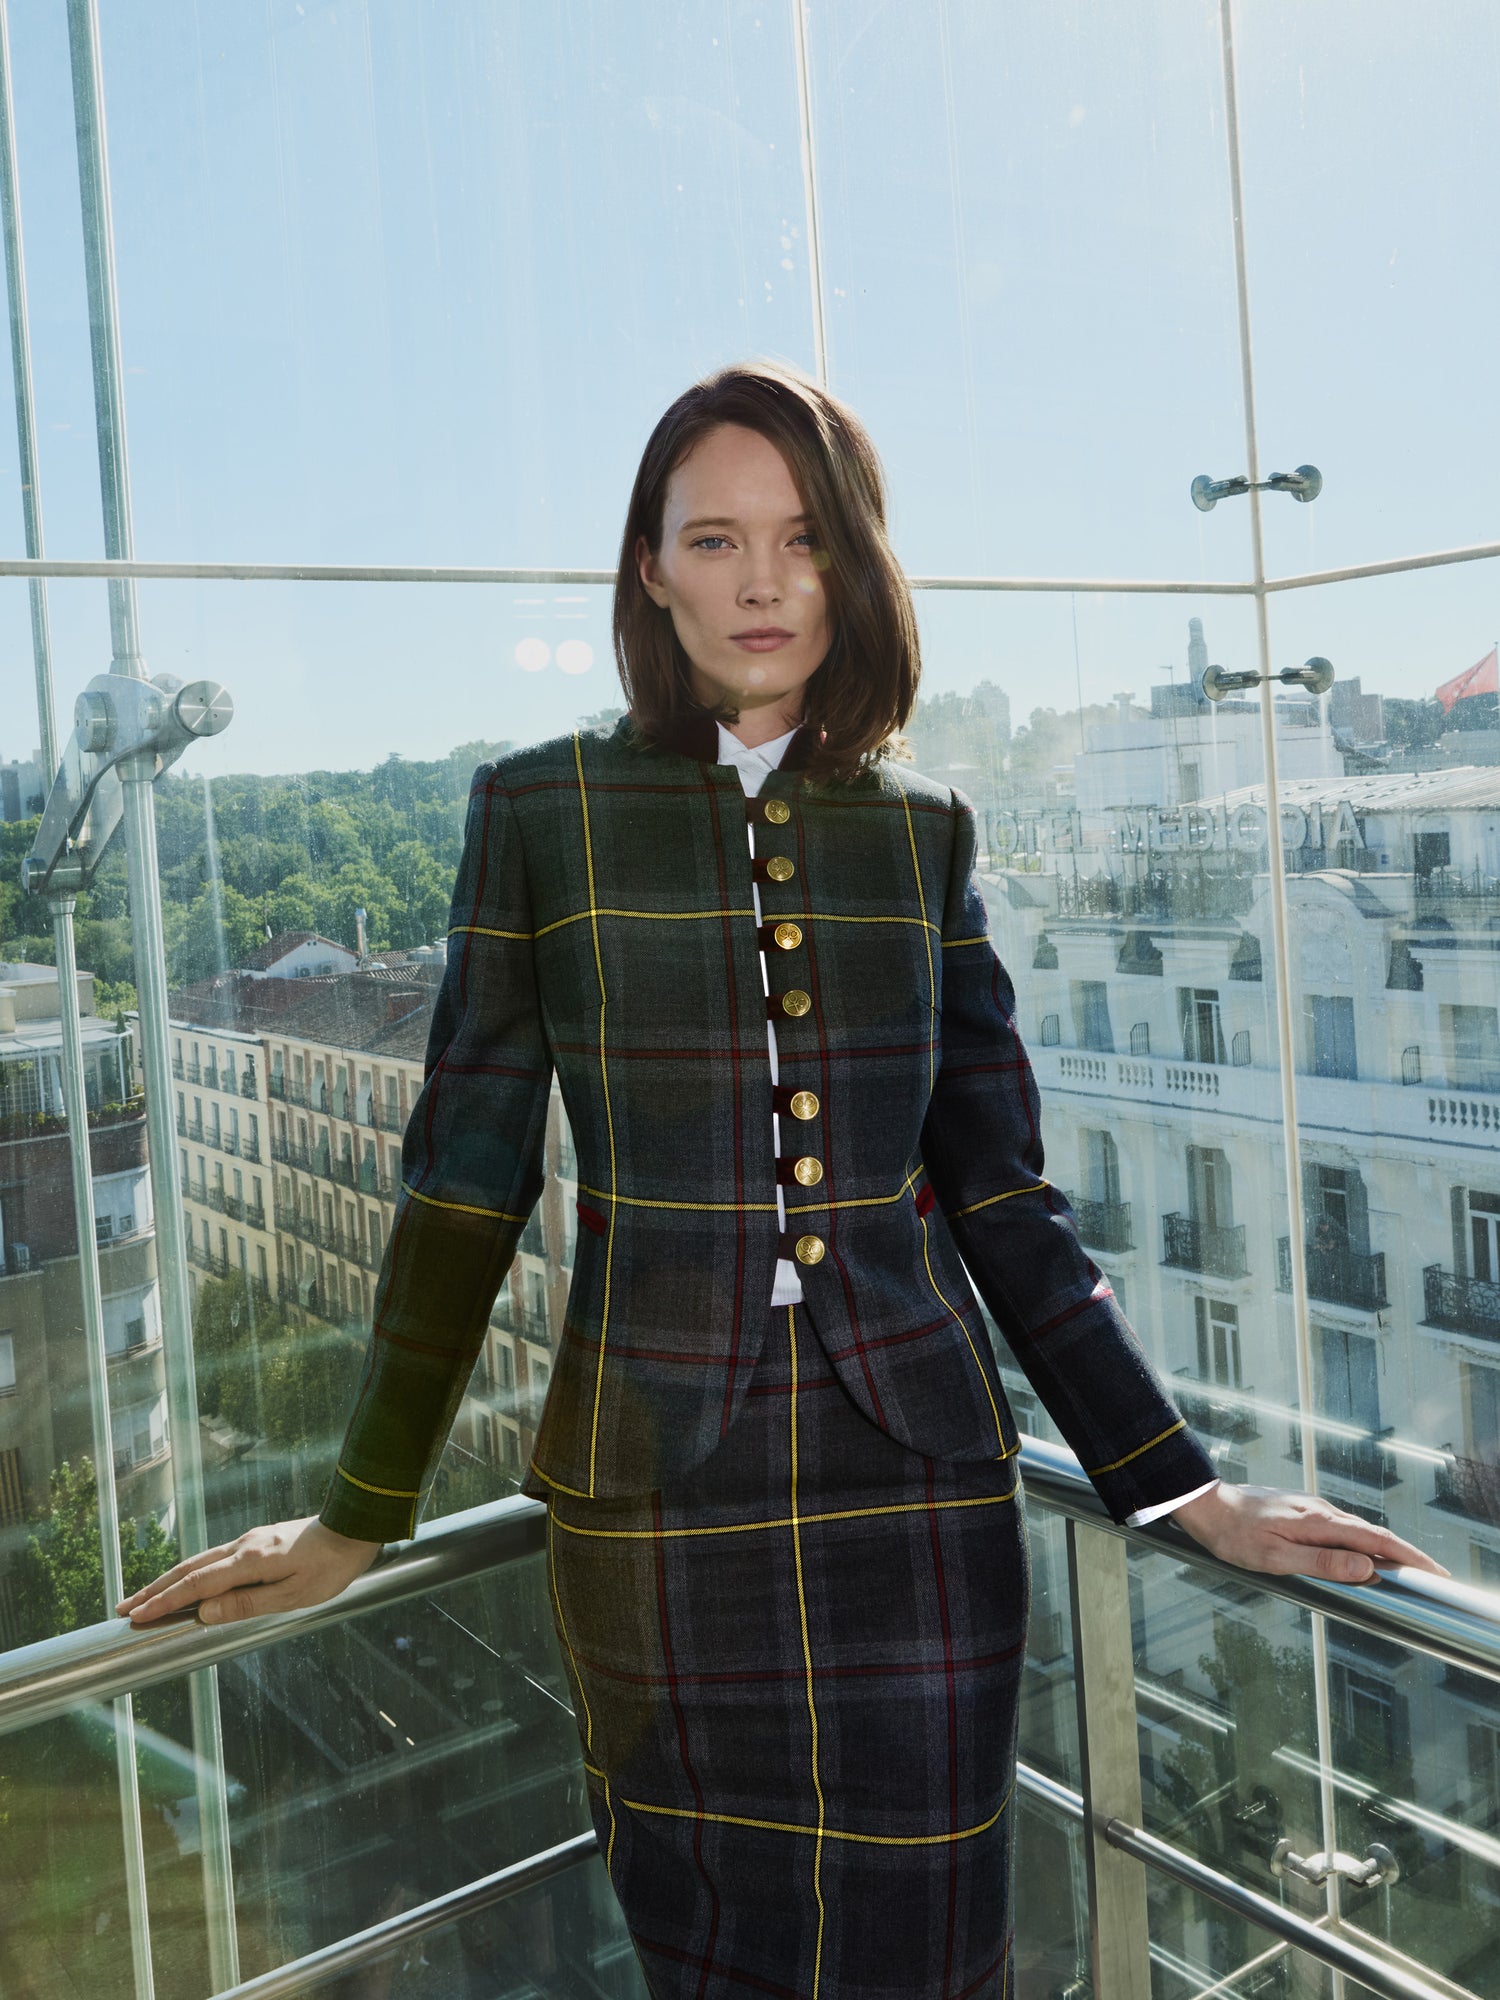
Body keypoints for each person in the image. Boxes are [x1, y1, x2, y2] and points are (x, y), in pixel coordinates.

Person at [119, 361, 1448, 1998]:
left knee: (933, 1960)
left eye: (802, 539)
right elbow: (464, 1191)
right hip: (654, 1513)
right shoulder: (539, 812)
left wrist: (1175, 1485)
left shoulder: (928, 831)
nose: (760, 582)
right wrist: (358, 1513)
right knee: (715, 1965)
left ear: (853, 566)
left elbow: (1004, 1200)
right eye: (716, 539)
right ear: (651, 569)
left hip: (918, 1500)